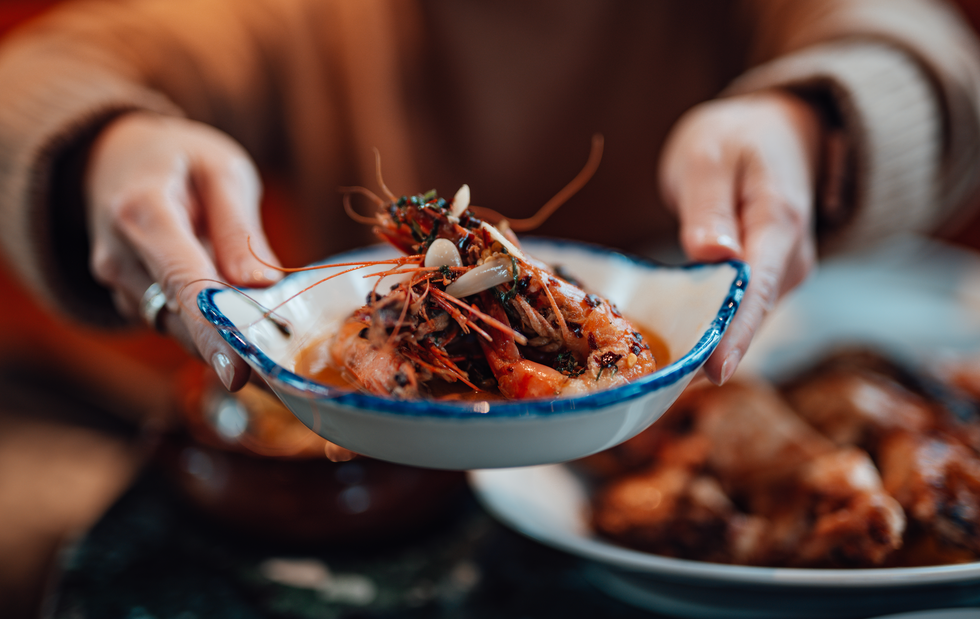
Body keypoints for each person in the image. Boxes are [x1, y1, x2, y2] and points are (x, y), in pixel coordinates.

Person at [0, 0, 978, 395]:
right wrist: (109, 138)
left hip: (688, 410)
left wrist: (810, 120)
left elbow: (917, 51)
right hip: (395, 486)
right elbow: (47, 70)